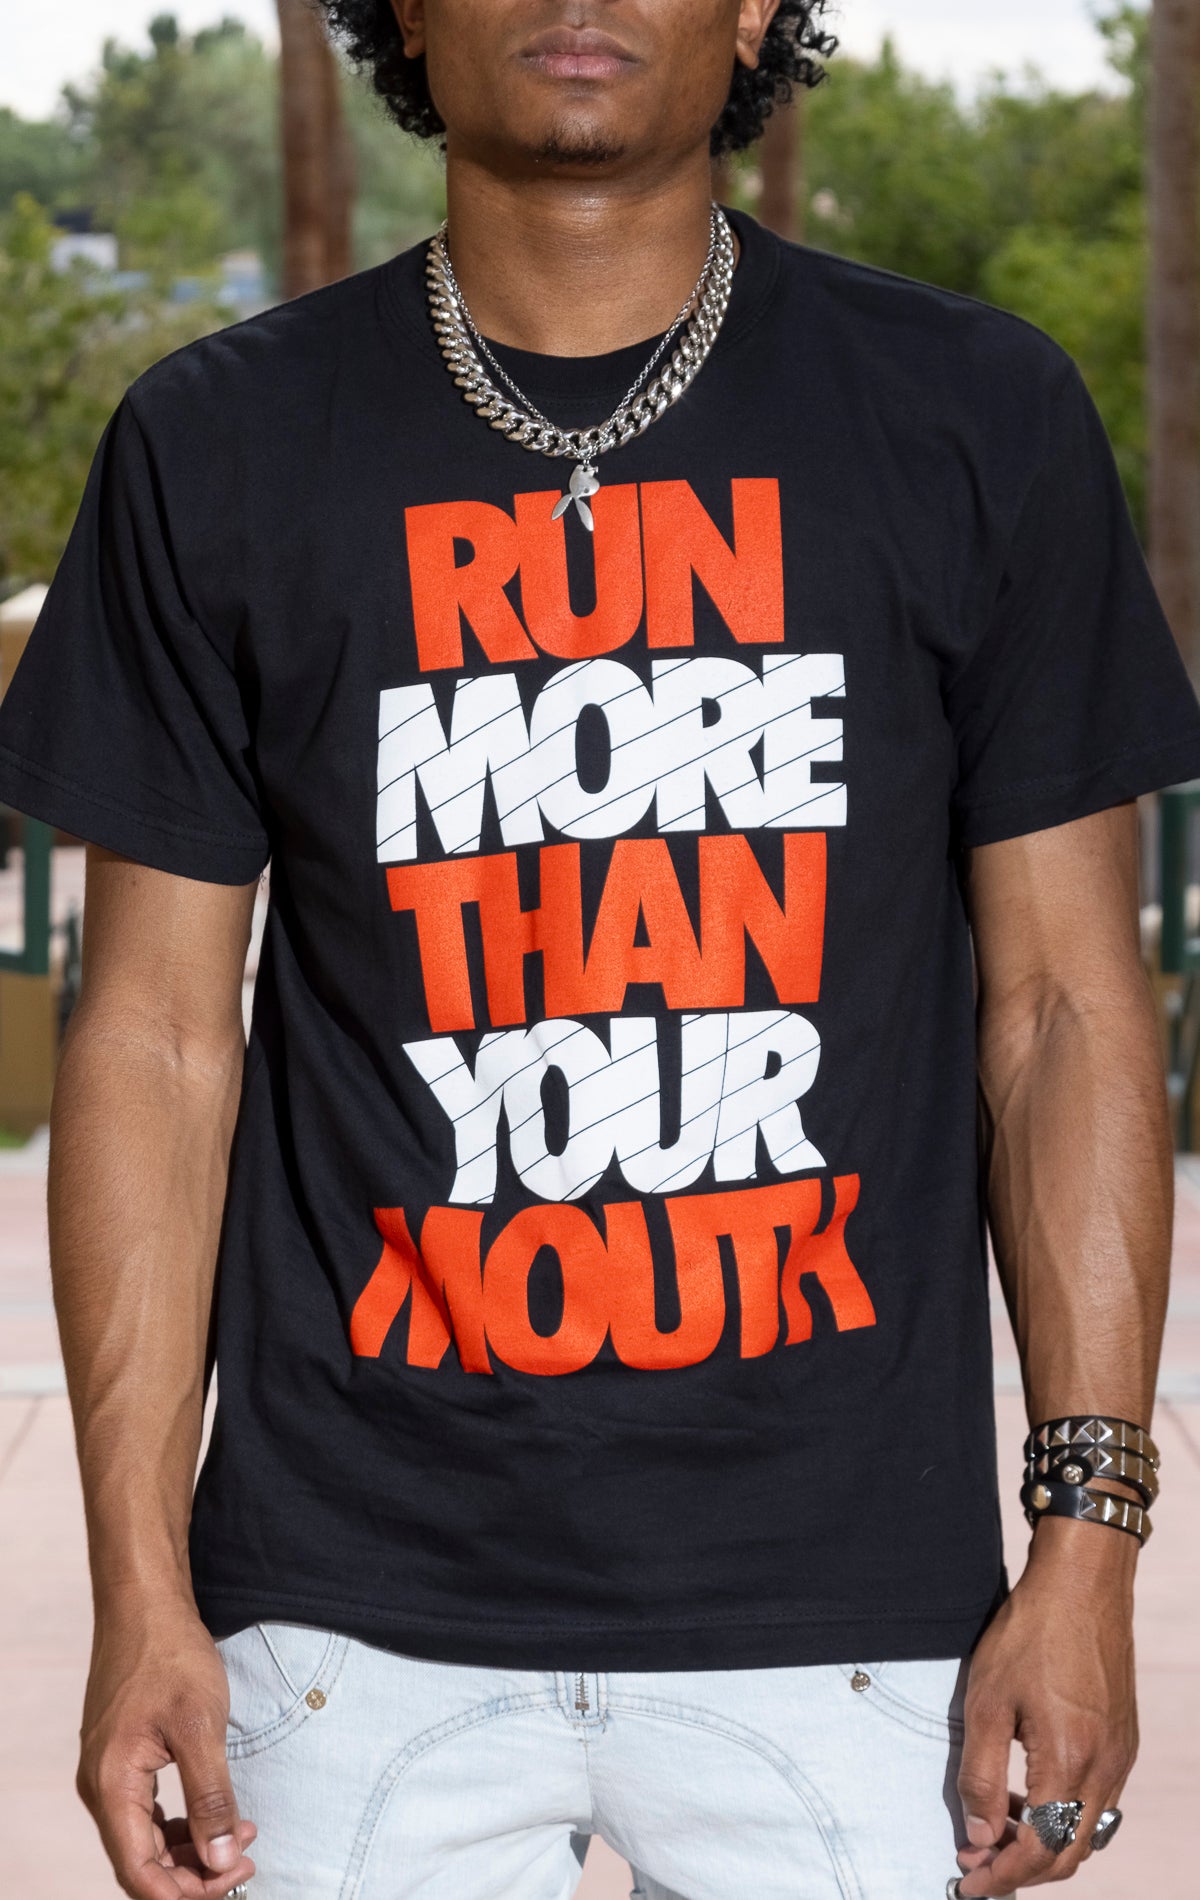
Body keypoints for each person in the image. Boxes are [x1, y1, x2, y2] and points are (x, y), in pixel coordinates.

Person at [1, 1, 1197, 1895]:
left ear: (755, 8)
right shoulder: (216, 442)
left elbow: (1061, 1013)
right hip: (339, 1637)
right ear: (407, 9)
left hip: (854, 1631)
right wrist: (137, 1590)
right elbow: (152, 1037)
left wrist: (1089, 1552)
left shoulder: (974, 414)